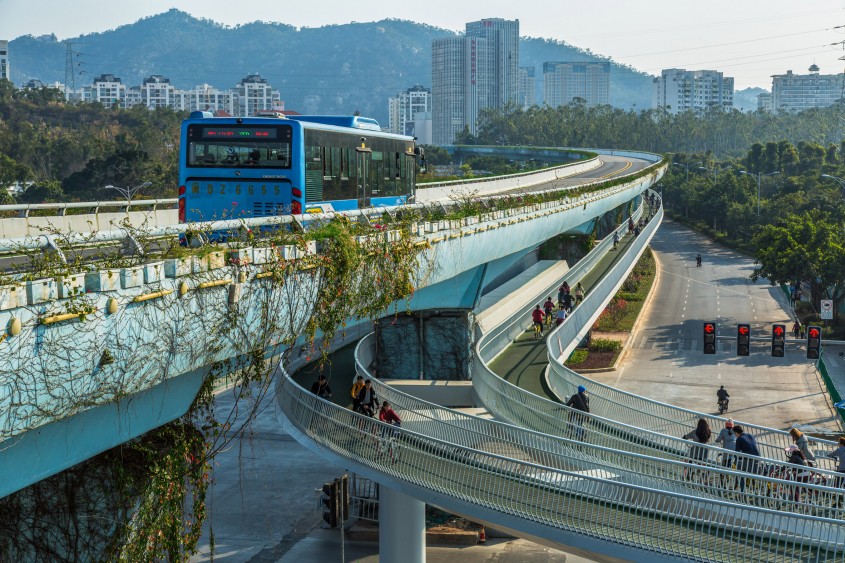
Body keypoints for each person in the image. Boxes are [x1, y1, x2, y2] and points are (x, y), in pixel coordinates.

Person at [733, 425, 761, 490]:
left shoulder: (739, 439)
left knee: (739, 471)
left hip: (750, 462)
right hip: (758, 460)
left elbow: (737, 452)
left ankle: (742, 491)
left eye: (735, 434)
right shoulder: (750, 435)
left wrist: (735, 459)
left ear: (736, 432)